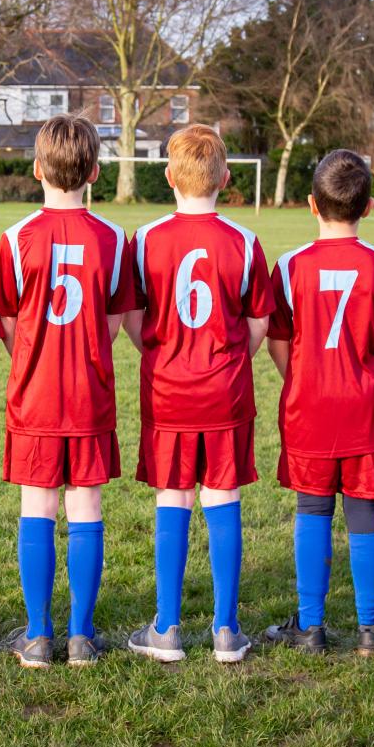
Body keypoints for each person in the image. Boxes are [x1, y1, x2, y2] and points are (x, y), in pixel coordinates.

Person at [123, 124, 274, 664]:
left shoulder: (144, 240)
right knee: (223, 498)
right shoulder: (244, 241)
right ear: (227, 178)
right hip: (225, 390)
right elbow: (258, 321)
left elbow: (133, 320)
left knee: (173, 498)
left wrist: (165, 355)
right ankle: (226, 630)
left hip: (167, 391)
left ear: (168, 176)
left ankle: (166, 629)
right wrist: (227, 358)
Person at [0, 114, 136, 668]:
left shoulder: (15, 238)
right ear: (96, 173)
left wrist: (35, 355)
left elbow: (8, 320)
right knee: (86, 506)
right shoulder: (111, 239)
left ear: (36, 170)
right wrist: (85, 354)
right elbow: (118, 319)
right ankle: (80, 635)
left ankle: (37, 636)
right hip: (89, 393)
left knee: (38, 505)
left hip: (35, 394)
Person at [263, 149, 374, 656]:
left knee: (312, 508)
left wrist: (304, 377)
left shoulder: (289, 266)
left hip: (308, 404)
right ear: (369, 207)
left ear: (311, 205)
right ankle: (371, 629)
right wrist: (369, 377)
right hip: (364, 406)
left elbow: (277, 340)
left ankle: (311, 627)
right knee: (364, 512)